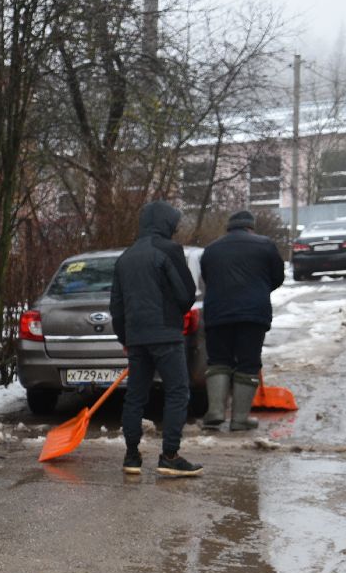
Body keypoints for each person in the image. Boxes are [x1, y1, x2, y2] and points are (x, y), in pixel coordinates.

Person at [110, 200, 203, 477]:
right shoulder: (169, 250)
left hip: (136, 338)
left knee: (135, 396)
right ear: (166, 223)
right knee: (177, 391)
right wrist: (173, 314)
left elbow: (116, 305)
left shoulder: (125, 257)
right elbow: (186, 293)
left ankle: (131, 456)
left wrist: (126, 337)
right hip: (165, 334)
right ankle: (170, 455)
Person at [198, 210, 284, 431]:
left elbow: (207, 278)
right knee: (248, 363)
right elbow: (278, 277)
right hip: (253, 314)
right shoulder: (266, 245)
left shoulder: (211, 249)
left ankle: (216, 411)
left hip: (218, 313)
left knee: (218, 360)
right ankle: (239, 419)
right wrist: (259, 289)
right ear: (251, 227)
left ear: (229, 227)